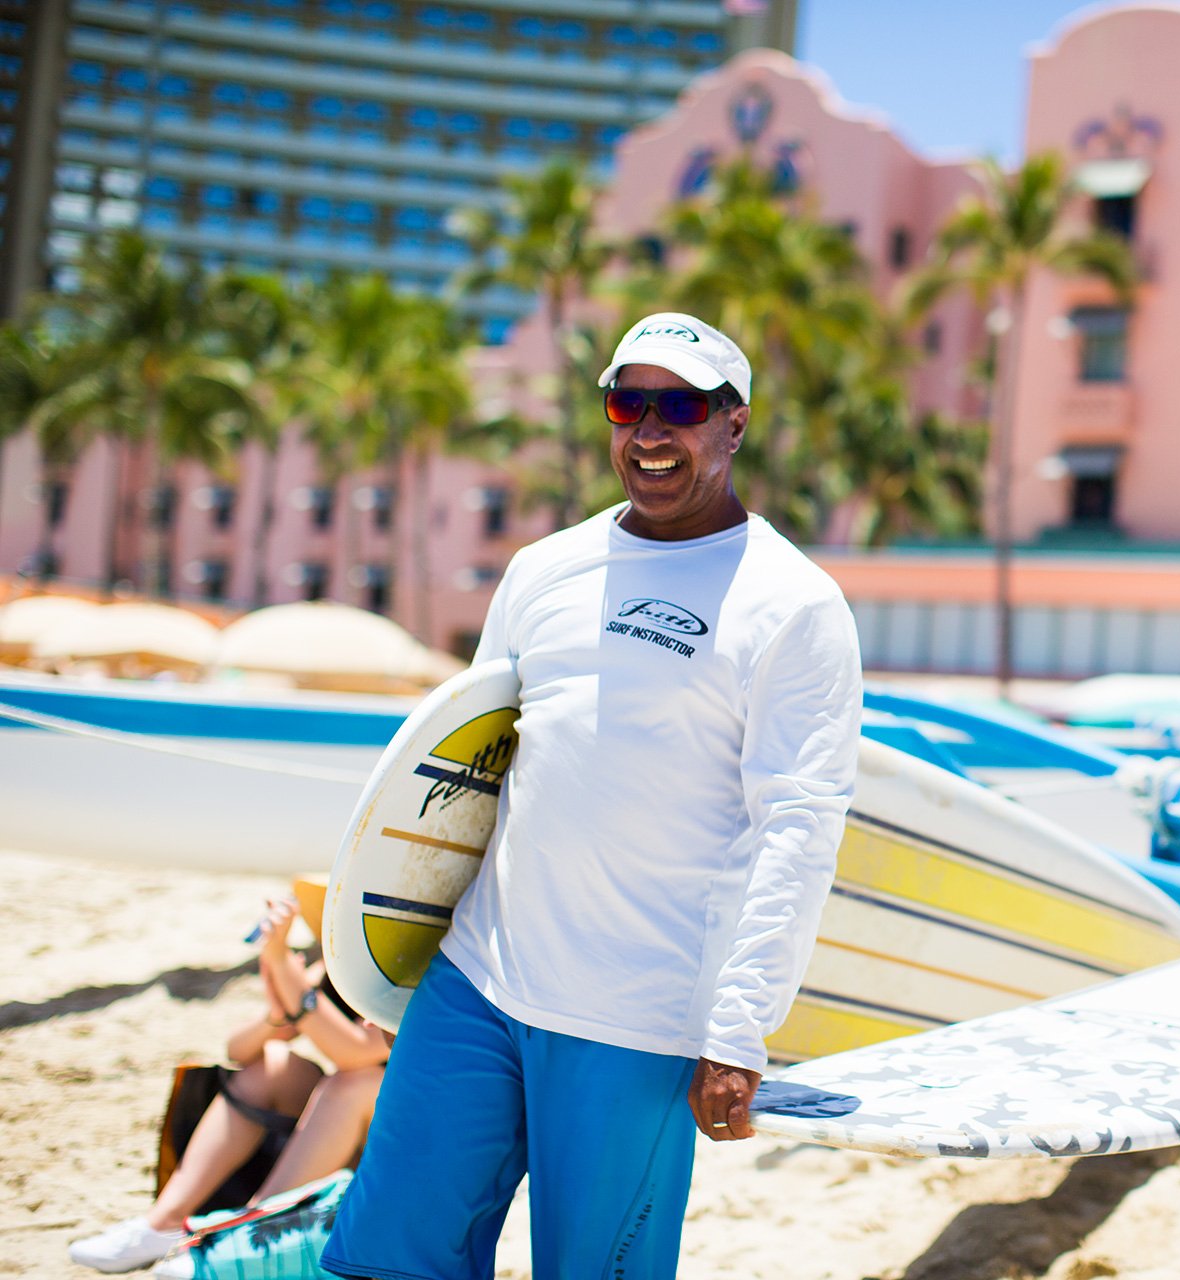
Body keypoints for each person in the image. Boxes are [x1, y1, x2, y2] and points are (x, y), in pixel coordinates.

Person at [321, 312, 863, 1280]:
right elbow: (469, 768)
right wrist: (390, 958)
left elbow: (796, 828)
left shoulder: (794, 602)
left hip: (638, 1022)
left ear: (734, 426)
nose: (650, 430)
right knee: (385, 1254)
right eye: (628, 402)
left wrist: (739, 1029)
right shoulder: (544, 568)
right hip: (476, 983)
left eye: (682, 406)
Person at [69, 898, 389, 1275]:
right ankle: (163, 1224)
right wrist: (277, 1014)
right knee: (275, 1068)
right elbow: (239, 1050)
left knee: (354, 1084)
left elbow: (357, 1052)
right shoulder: (343, 960)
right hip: (341, 1139)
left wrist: (287, 972)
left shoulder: (408, 967)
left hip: (394, 1146)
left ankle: (243, 1235)